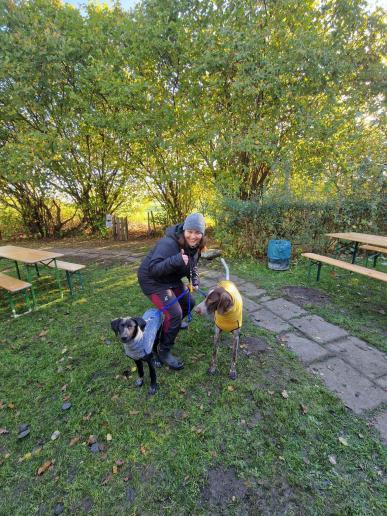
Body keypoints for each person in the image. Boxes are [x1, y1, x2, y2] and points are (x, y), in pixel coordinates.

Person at [137, 213, 206, 370]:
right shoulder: (168, 243)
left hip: (170, 278)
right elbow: (153, 269)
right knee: (174, 314)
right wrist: (176, 260)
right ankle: (163, 350)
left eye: (197, 232)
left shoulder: (196, 247)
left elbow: (193, 266)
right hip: (152, 280)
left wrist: (194, 281)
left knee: (190, 302)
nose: (193, 236)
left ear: (202, 234)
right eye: (190, 231)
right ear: (184, 230)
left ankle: (173, 324)